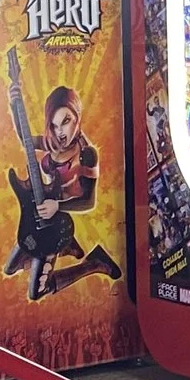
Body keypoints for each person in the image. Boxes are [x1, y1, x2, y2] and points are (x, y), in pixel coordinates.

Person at [8, 82, 122, 301]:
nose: (60, 132)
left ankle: (95, 263)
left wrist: (57, 207)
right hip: (42, 214)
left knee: (37, 291)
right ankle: (64, 251)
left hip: (59, 224)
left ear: (77, 116)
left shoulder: (86, 154)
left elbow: (88, 201)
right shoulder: (54, 141)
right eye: (54, 125)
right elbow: (26, 141)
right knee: (11, 268)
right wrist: (14, 104)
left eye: (66, 122)